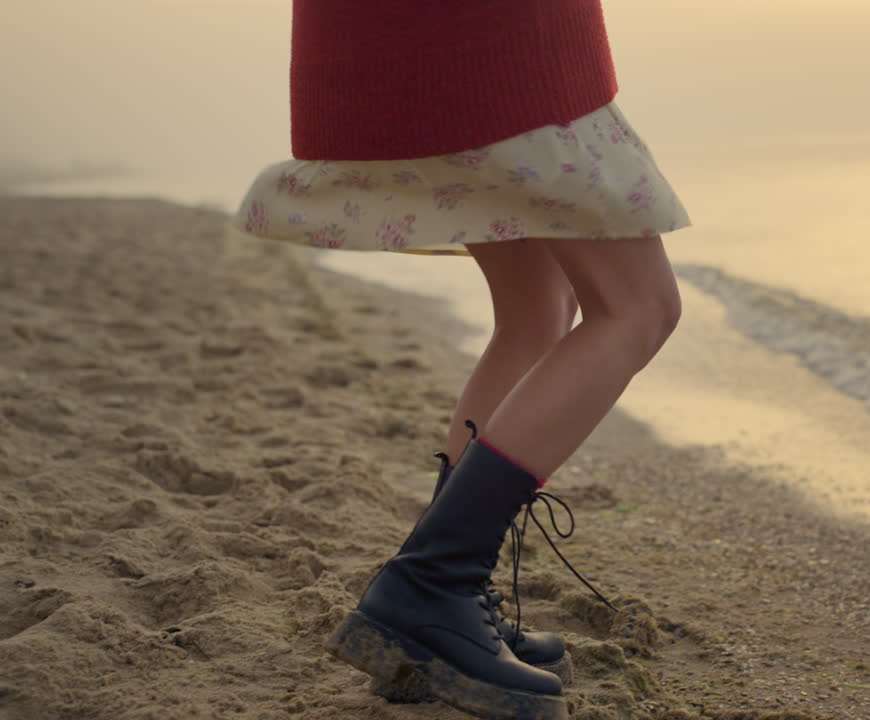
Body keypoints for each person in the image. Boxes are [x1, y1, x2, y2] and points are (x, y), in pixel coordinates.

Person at [229, 1, 692, 718]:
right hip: (494, 50)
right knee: (638, 308)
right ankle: (431, 582)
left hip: (410, 46)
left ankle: (442, 594)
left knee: (540, 308)